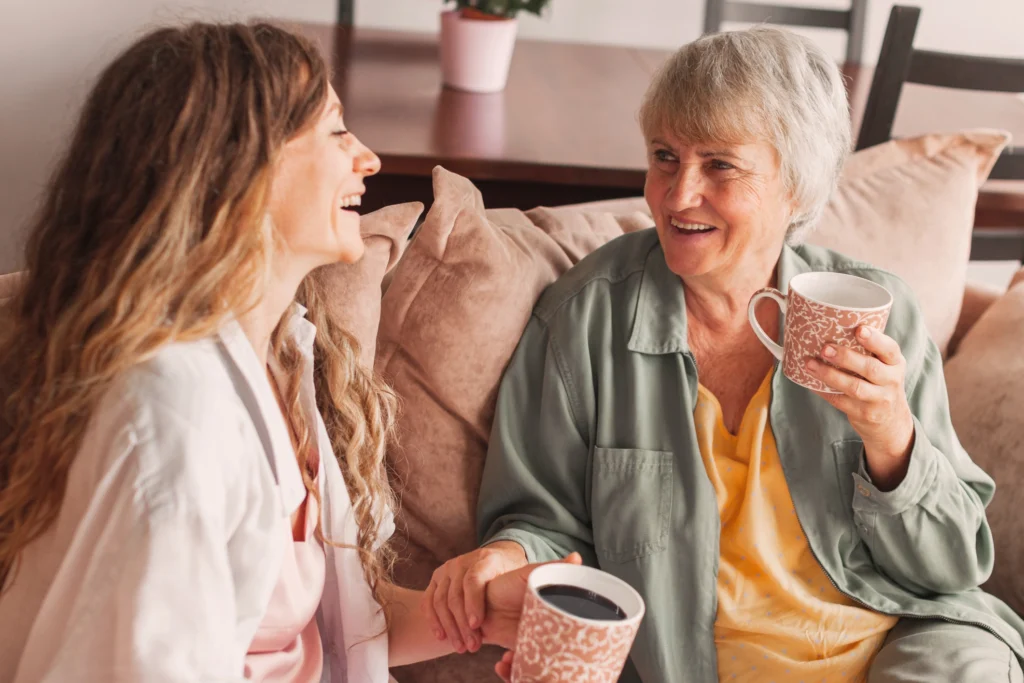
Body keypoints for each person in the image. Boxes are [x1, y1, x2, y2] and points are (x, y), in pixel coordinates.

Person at [423, 27, 1024, 683]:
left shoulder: (879, 319)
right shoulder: (585, 320)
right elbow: (542, 521)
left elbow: (952, 567)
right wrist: (505, 556)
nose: (678, 195)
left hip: (902, 641)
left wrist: (890, 437)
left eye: (720, 165)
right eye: (665, 157)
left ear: (797, 185)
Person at [0, 22, 570, 683]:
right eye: (336, 131)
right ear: (237, 171)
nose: (368, 158)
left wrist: (484, 614)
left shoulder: (281, 356)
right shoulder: (174, 420)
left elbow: (332, 632)